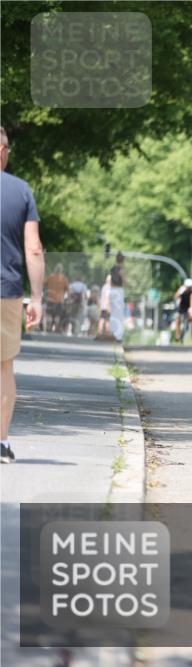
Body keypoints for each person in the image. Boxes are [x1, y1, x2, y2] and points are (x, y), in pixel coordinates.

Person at [1, 126, 45, 464]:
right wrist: (38, 298)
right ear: (4, 152)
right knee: (3, 367)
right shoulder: (21, 191)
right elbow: (33, 249)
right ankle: (0, 442)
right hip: (8, 293)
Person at [44, 262, 69, 333]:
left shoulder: (50, 277)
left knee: (49, 314)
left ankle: (49, 327)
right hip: (59, 300)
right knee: (57, 315)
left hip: (50, 299)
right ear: (61, 270)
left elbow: (44, 284)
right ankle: (55, 328)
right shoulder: (64, 279)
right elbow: (68, 289)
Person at [174, 278, 192, 343]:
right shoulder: (181, 289)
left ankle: (186, 325)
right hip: (181, 307)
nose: (188, 288)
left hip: (188, 308)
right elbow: (176, 296)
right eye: (187, 287)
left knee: (191, 318)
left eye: (190, 287)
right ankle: (177, 335)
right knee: (178, 320)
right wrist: (179, 294)